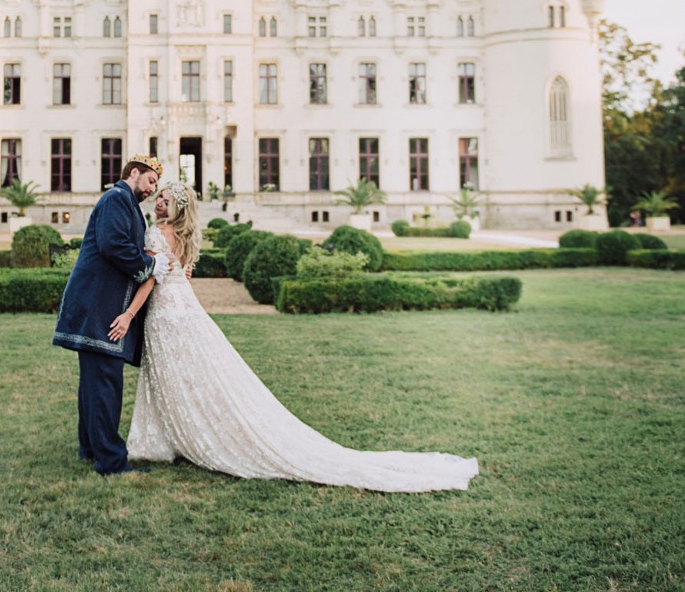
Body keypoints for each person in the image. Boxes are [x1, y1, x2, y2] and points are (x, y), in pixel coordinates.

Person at [116, 181, 480, 493]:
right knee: (188, 372)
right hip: (186, 308)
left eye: (165, 198)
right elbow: (184, 273)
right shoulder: (182, 235)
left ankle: (171, 437)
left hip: (166, 312)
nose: (158, 201)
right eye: (159, 196)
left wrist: (129, 314)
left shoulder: (154, 232)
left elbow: (152, 277)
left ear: (177, 207)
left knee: (173, 373)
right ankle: (174, 434)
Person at [51, 155, 161, 476]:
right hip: (101, 306)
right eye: (151, 181)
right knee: (105, 384)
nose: (153, 190)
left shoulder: (125, 202)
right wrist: (149, 266)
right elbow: (113, 244)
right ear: (135, 173)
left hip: (97, 304)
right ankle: (111, 462)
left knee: (94, 383)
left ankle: (90, 448)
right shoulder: (116, 198)